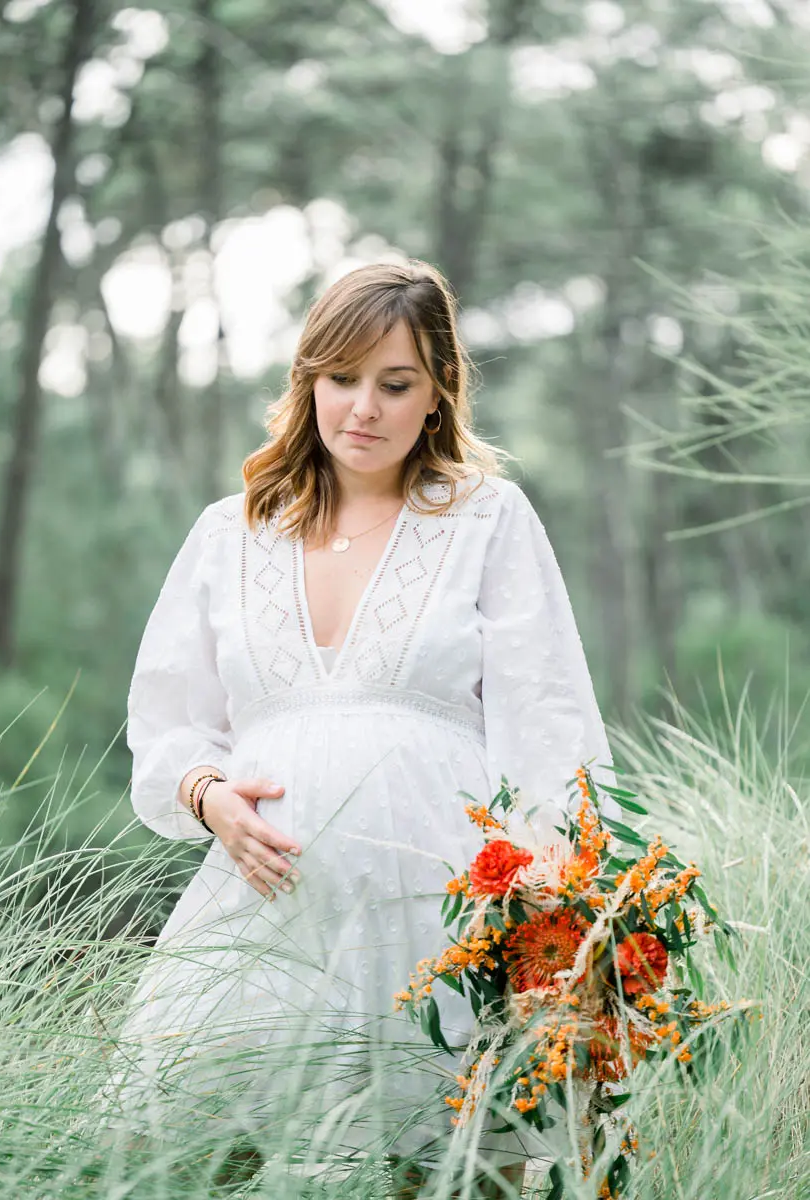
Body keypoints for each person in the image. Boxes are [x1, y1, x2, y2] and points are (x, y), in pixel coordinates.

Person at [119, 260, 617, 1197]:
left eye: (397, 384)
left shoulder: (484, 517)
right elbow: (168, 721)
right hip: (269, 902)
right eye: (341, 378)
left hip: (449, 903)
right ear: (306, 382)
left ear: (438, 395)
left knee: (465, 1170)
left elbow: (547, 719)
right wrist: (209, 796)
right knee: (185, 1149)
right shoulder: (231, 534)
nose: (364, 408)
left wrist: (560, 909)